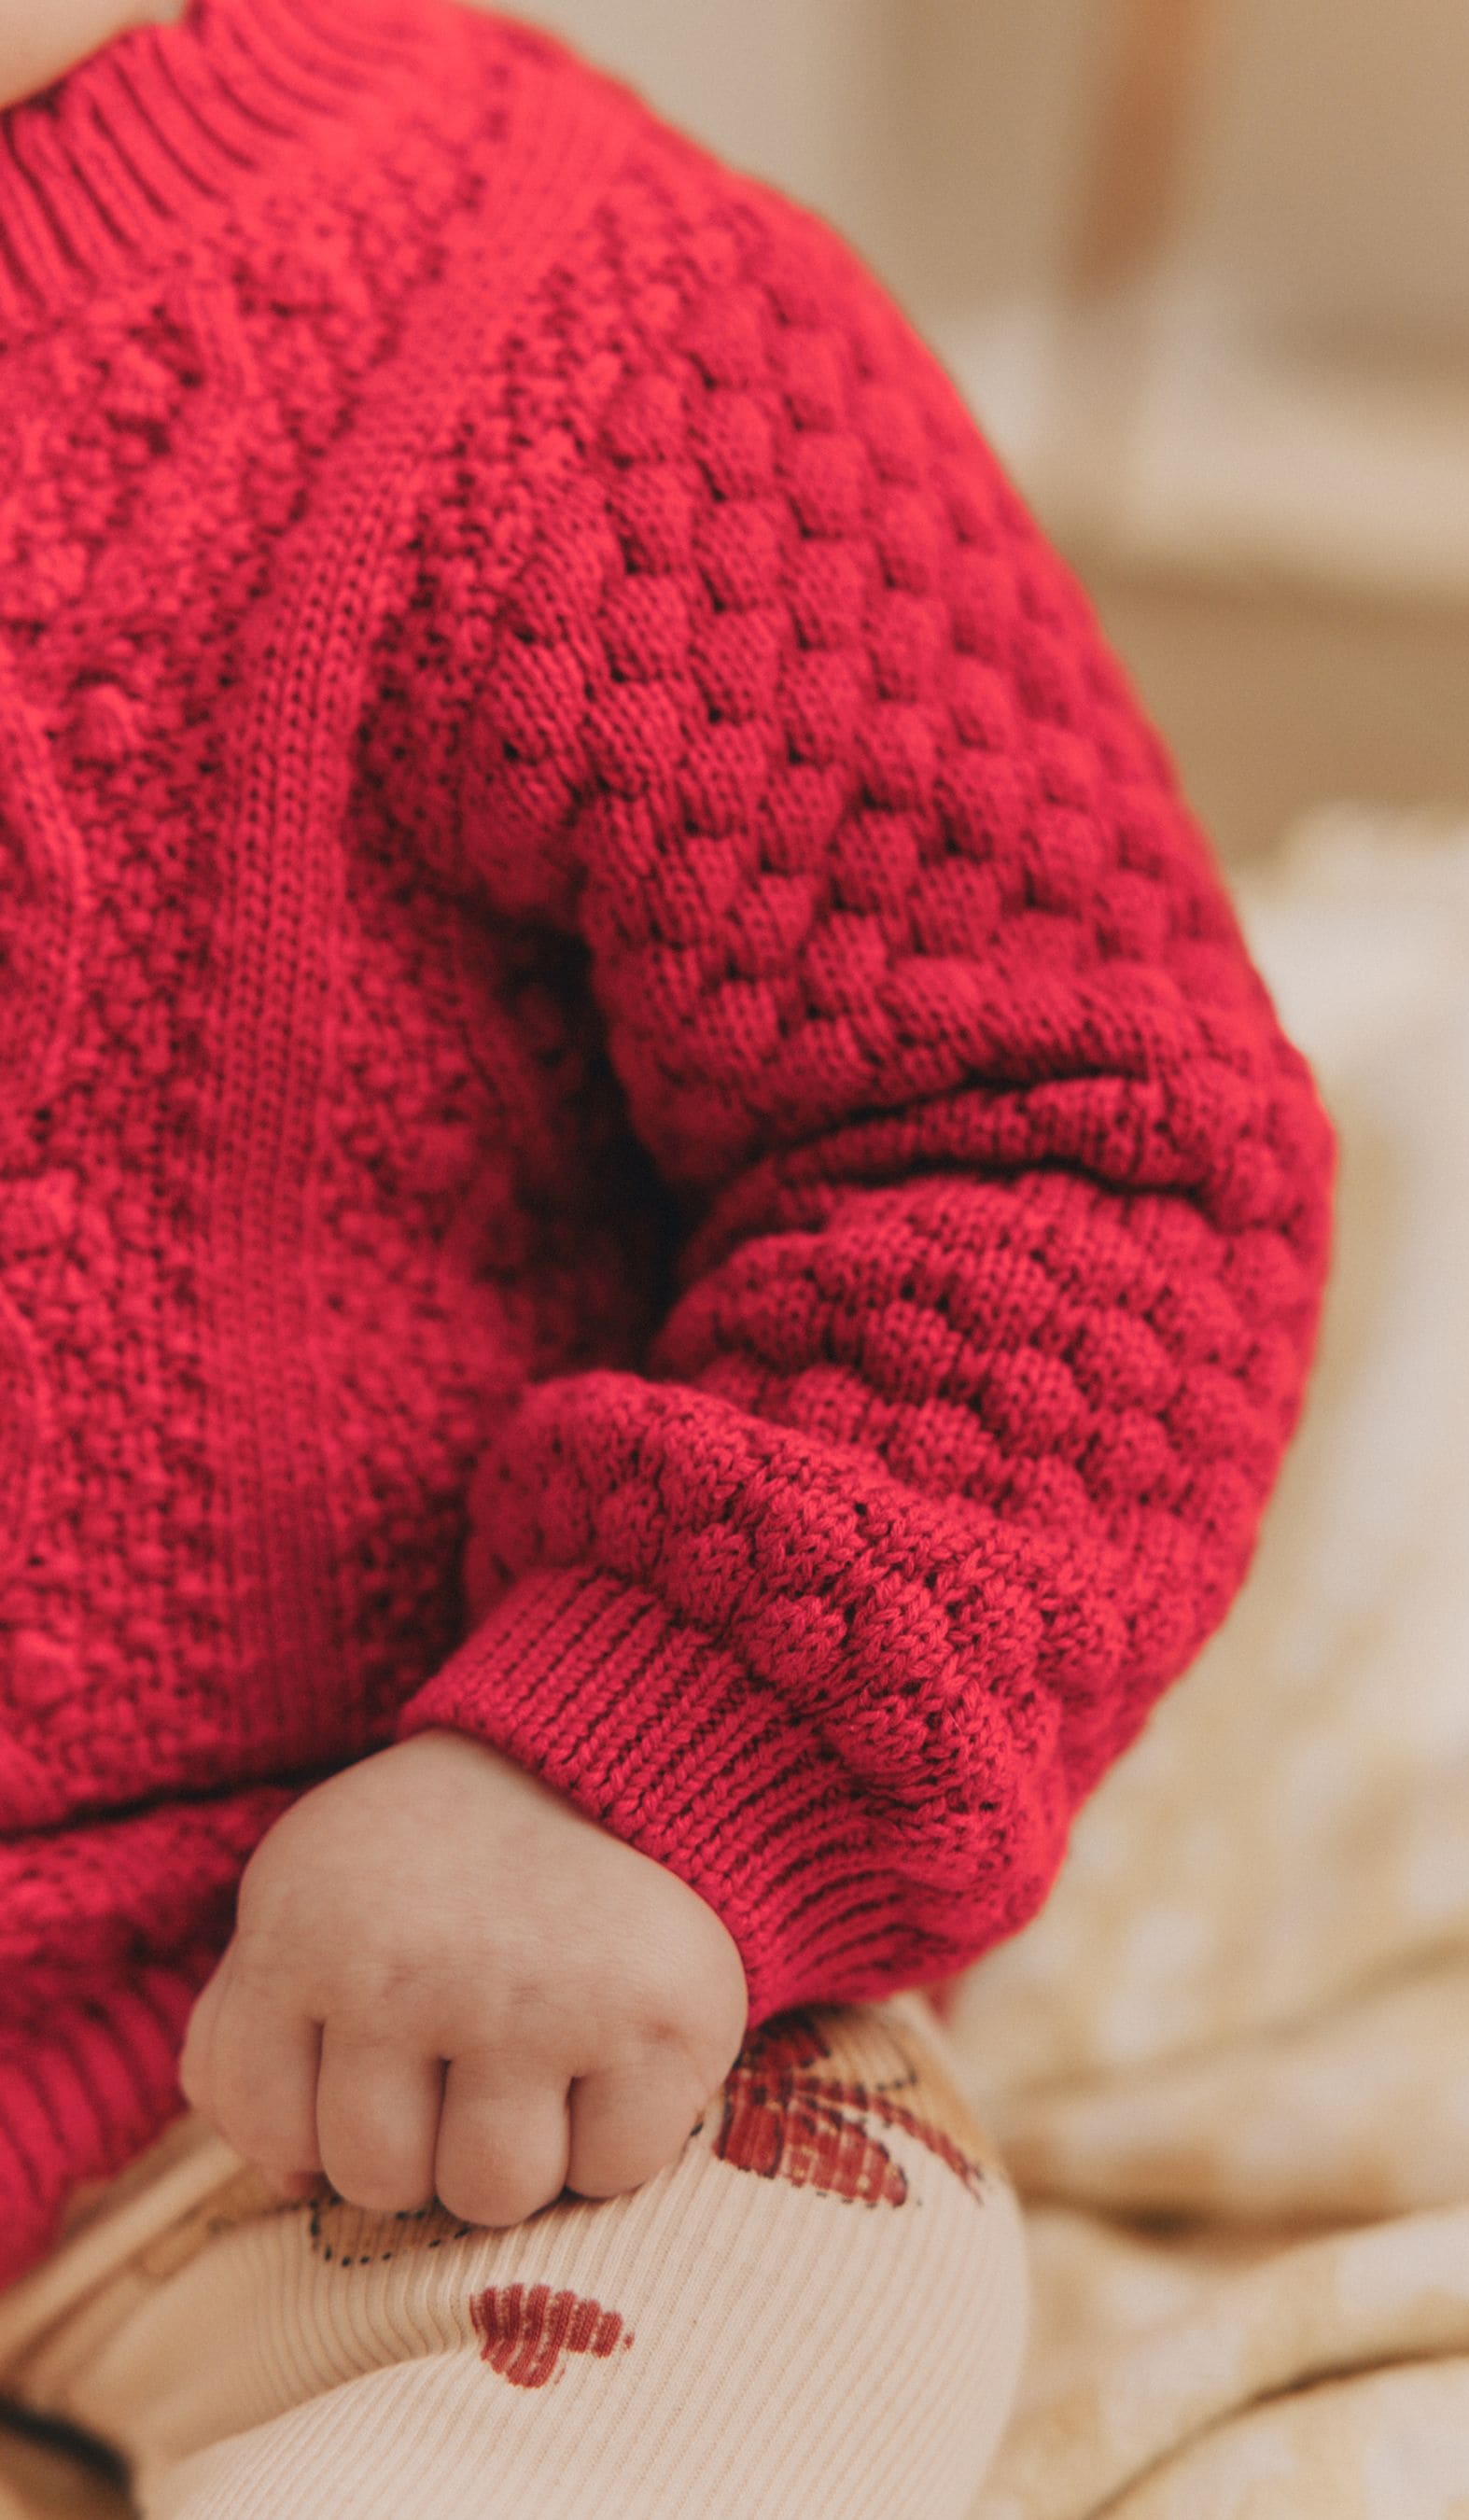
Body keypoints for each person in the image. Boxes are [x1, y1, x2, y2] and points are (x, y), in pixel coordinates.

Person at [0, 0, 1336, 2510]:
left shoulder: (574, 316)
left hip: (368, 2015)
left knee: (768, 2277)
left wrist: (639, 1756)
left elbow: (1078, 1147)